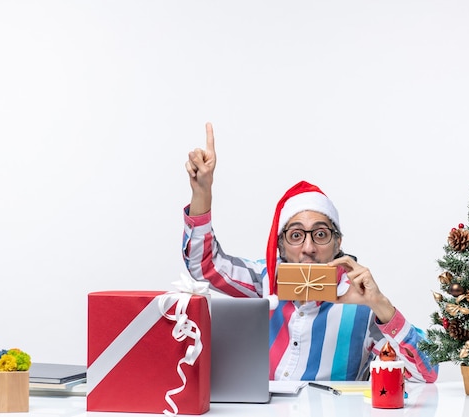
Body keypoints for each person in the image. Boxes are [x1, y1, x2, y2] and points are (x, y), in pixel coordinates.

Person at [182, 122, 438, 383]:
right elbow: (205, 267)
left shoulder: (362, 303)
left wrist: (380, 305)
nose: (308, 247)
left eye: (320, 234)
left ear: (338, 242)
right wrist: (202, 192)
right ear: (280, 245)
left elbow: (426, 374)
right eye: (296, 235)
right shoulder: (266, 279)